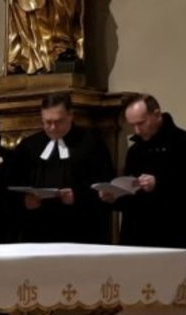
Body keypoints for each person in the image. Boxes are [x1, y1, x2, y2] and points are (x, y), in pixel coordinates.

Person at [100, 95, 186, 256]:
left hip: (173, 237)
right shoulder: (135, 151)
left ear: (157, 114)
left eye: (141, 123)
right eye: (132, 125)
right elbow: (132, 198)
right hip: (136, 238)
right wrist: (114, 198)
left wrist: (159, 185)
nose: (136, 130)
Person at [10, 92, 113, 244]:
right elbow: (11, 183)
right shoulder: (29, 146)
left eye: (58, 122)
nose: (53, 128)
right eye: (47, 122)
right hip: (38, 230)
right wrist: (24, 201)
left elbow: (106, 186)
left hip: (81, 229)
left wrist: (78, 196)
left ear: (71, 116)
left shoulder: (91, 144)